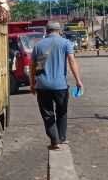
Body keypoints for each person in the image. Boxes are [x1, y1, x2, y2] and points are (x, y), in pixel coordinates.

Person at [29, 21, 83, 149]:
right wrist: (78, 80)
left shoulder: (39, 45)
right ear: (59, 31)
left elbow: (34, 67)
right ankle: (62, 138)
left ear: (46, 31)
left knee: (47, 114)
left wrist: (32, 84)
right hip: (61, 86)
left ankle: (54, 140)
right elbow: (71, 61)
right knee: (62, 111)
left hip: (43, 86)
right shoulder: (65, 43)